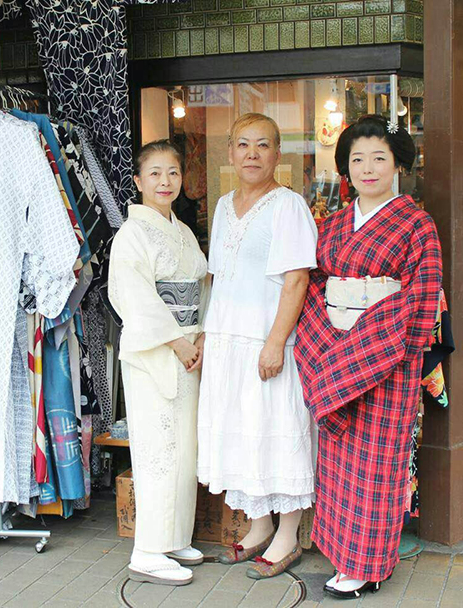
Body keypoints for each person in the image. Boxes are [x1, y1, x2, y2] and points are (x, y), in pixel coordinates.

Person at [295, 115, 443, 599]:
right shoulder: (333, 224)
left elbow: (425, 290)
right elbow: (314, 285)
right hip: (336, 350)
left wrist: (407, 347)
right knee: (338, 459)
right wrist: (325, 342)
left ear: (398, 163)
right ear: (345, 167)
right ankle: (343, 552)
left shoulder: (415, 223)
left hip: (387, 352)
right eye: (357, 159)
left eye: (379, 158)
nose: (368, 168)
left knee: (378, 461)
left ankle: (367, 563)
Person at [197, 113, 318, 579]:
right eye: (243, 145)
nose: (252, 154)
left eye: (262, 145)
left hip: (268, 343)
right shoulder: (224, 205)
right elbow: (219, 279)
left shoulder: (288, 206)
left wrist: (275, 342)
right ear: (229, 153)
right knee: (245, 435)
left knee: (277, 432)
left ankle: (288, 534)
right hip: (229, 340)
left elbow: (297, 279)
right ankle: (258, 525)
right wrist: (208, 332)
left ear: (277, 153)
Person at [108, 140, 210, 586]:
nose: (165, 181)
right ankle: (147, 549)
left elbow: (202, 287)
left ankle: (173, 536)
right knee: (158, 449)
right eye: (154, 173)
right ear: (138, 181)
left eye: (172, 172)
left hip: (188, 349)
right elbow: (135, 296)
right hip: (156, 353)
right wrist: (176, 341)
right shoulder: (132, 233)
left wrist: (201, 333)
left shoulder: (183, 231)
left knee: (184, 447)